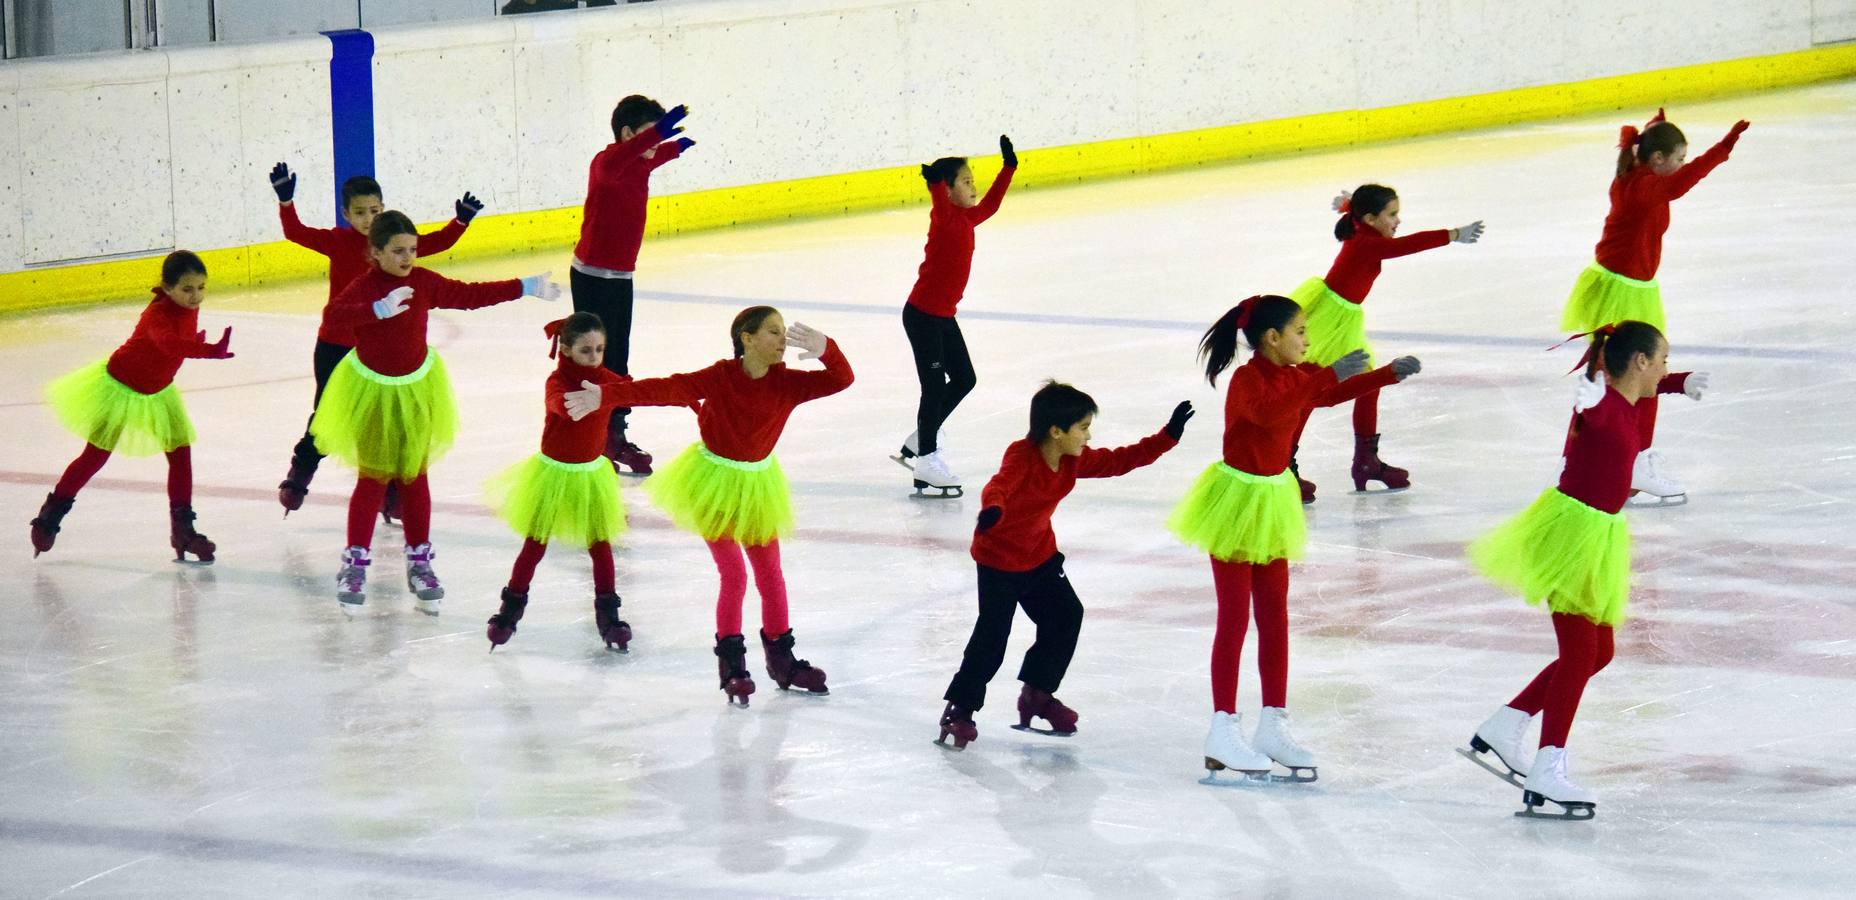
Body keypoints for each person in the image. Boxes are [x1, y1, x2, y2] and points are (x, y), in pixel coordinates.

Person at [1170, 294, 1420, 783]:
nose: (1308, 340)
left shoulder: (1295, 375)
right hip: (1237, 503)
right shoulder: (1248, 380)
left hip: (1273, 500)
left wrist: (1385, 374)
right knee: (1235, 618)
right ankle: (1222, 727)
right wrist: (1328, 374)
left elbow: (1323, 396)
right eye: (1301, 332)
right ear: (1272, 339)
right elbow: (1266, 414)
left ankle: (1272, 723)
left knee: (1275, 617)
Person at [1462, 321, 1707, 821]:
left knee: (1600, 651)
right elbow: (1592, 413)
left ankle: (1505, 724)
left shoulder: (1630, 404)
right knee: (1579, 652)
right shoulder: (1599, 405)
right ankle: (1547, 768)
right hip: (1571, 535)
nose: (1664, 367)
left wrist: (1679, 383)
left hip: (1600, 535)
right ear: (1639, 361)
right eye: (1662, 361)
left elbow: (1628, 405)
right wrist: (1587, 403)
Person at [601, 307, 852, 706]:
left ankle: (781, 660)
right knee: (734, 573)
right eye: (773, 332)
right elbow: (665, 389)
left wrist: (827, 349)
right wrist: (605, 395)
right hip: (712, 483)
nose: (782, 340)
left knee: (771, 575)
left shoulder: (787, 383)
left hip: (757, 487)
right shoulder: (719, 377)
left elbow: (842, 379)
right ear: (746, 338)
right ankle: (732, 665)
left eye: (784, 332)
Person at [312, 211, 560, 613]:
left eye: (412, 249)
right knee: (373, 478)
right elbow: (332, 317)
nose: (408, 257)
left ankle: (419, 560)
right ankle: (355, 561)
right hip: (373, 391)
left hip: (417, 390)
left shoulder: (424, 282)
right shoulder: (365, 286)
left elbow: (469, 295)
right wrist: (375, 309)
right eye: (397, 251)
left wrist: (524, 286)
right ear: (374, 253)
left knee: (414, 475)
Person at [936, 383, 1191, 750]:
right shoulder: (1022, 456)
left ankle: (1036, 695)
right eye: (1083, 427)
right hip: (999, 562)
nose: (1089, 436)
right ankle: (960, 709)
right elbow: (1000, 485)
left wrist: (1167, 437)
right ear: (1056, 431)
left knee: (1066, 616)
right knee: (991, 639)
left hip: (1040, 556)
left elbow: (1119, 461)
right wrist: (993, 509)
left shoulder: (1072, 459)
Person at [1560, 109, 1748, 502]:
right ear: (1658, 159)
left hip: (1628, 288)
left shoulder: (1636, 175)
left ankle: (1616, 462)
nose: (1680, 164)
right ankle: (1632, 463)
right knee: (1630, 375)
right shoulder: (1644, 186)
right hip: (1623, 294)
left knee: (1619, 376)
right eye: (1677, 157)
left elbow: (1670, 175)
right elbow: (1680, 184)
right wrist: (1723, 148)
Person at [270, 165, 479, 518]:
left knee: (388, 421)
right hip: (337, 346)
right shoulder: (338, 242)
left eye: (375, 211)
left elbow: (434, 243)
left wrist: (459, 223)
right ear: (345, 214)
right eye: (360, 212)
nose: (368, 219)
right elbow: (295, 232)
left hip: (376, 354)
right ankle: (301, 470)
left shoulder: (393, 247)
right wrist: (286, 200)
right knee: (326, 414)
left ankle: (390, 491)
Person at [31, 251, 233, 563]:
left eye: (202, 287)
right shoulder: (156, 316)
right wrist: (203, 350)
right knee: (95, 456)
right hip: (121, 386)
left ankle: (183, 530)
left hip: (159, 391)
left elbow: (176, 344)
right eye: (187, 289)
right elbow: (167, 343)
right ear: (167, 288)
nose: (196, 297)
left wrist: (196, 344)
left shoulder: (187, 307)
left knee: (180, 455)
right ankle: (50, 514)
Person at [1285, 184, 1480, 500]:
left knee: (1367, 383)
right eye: (1392, 214)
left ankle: (1366, 460)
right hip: (1326, 322)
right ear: (1371, 218)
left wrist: (1347, 202)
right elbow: (1408, 245)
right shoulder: (1366, 244)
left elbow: (1359, 212)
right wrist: (1454, 234)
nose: (1397, 221)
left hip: (1343, 319)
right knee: (1308, 390)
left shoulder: (1364, 229)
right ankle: (1282, 466)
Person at [485, 313, 635, 651]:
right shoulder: (557, 382)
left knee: (600, 544)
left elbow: (635, 391)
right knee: (535, 544)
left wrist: (683, 396)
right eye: (586, 350)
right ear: (565, 349)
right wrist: (580, 404)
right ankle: (509, 610)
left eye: (599, 350)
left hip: (591, 474)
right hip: (553, 474)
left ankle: (608, 616)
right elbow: (559, 404)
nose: (594, 357)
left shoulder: (605, 380)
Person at [570, 96, 694, 476]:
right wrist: (659, 134)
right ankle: (586, 436)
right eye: (647, 135)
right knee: (591, 358)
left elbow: (654, 155)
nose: (654, 144)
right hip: (591, 276)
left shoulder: (642, 161)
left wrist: (677, 147)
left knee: (618, 359)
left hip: (621, 278)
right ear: (626, 134)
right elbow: (638, 151)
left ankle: (613, 434)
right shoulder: (607, 163)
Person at [895, 135, 1018, 497]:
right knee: (933, 387)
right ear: (947, 190)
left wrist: (1009, 167)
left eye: (972, 180)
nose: (973, 186)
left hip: (942, 317)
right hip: (922, 317)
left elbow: (992, 204)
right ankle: (927, 461)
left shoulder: (967, 219)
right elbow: (937, 193)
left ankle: (922, 437)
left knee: (964, 378)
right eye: (965, 181)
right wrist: (933, 180)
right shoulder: (944, 216)